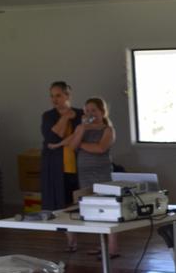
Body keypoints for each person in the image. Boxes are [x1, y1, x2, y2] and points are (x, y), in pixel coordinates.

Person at [50, 96, 119, 257]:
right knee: (92, 209)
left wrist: (80, 143)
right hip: (85, 173)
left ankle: (113, 248)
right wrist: (80, 131)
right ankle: (101, 244)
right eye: (87, 110)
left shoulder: (108, 129)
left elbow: (100, 148)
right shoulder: (81, 128)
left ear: (102, 112)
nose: (90, 113)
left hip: (102, 172)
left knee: (108, 209)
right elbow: (72, 147)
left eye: (93, 110)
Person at [39, 80, 82, 251]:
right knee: (61, 201)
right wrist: (64, 117)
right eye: (51, 96)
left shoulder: (80, 114)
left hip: (78, 163)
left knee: (79, 200)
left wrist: (60, 143)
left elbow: (82, 135)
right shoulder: (48, 116)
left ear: (67, 95)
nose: (54, 99)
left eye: (58, 95)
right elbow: (52, 137)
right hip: (56, 164)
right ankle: (71, 239)